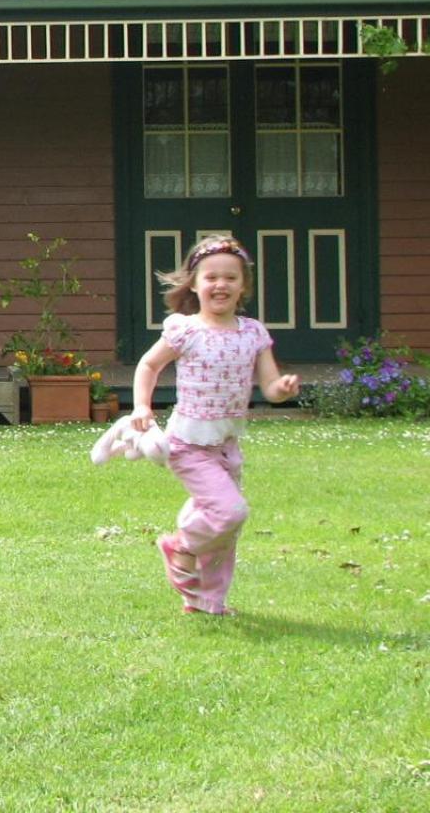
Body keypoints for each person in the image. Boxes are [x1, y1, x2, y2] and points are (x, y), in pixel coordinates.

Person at [128, 237, 300, 616]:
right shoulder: (185, 330)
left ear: (243, 286)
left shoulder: (253, 333)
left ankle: (206, 601)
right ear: (194, 283)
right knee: (229, 511)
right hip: (189, 443)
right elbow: (148, 365)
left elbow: (269, 387)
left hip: (225, 444)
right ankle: (182, 547)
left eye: (230, 277)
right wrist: (142, 405)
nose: (220, 284)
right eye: (211, 277)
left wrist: (281, 389)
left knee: (224, 531)